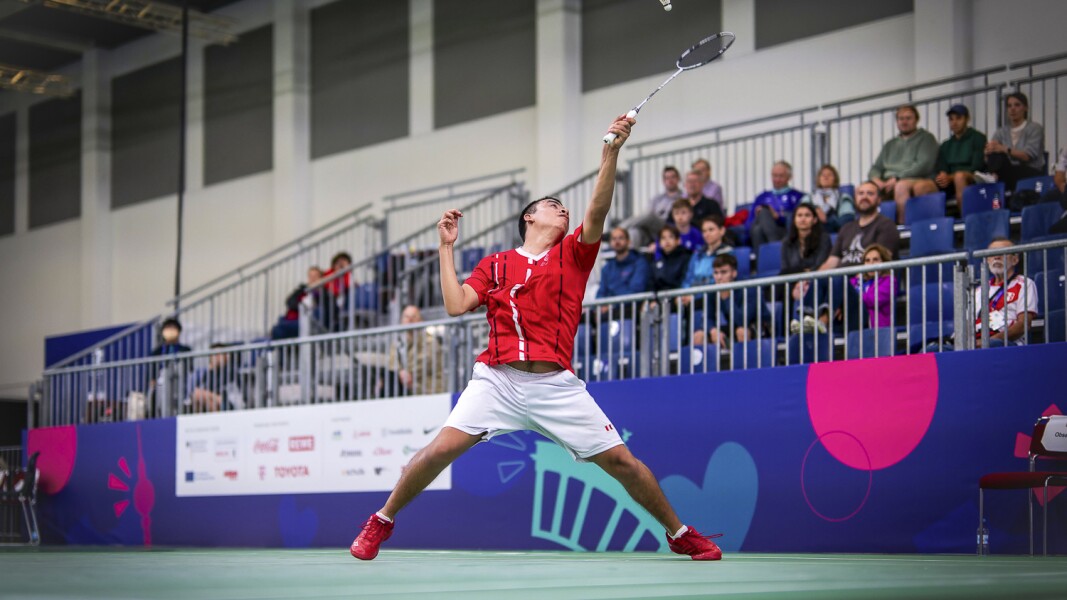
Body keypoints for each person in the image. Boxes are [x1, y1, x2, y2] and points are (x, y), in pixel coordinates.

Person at [349, 115, 723, 562]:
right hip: (498, 380)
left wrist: (610, 154)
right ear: (529, 216)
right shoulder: (495, 264)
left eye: (565, 208)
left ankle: (678, 532)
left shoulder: (574, 255)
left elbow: (598, 210)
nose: (563, 210)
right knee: (439, 449)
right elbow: (455, 304)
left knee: (622, 462)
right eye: (553, 205)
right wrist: (446, 248)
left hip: (555, 385)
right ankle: (382, 520)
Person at [868, 104, 939, 224]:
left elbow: (924, 165)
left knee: (901, 186)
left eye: (908, 118)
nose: (904, 122)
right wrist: (877, 180)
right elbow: (876, 167)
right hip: (888, 183)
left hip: (917, 179)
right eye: (901, 118)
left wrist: (897, 178)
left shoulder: (927, 138)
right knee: (864, 190)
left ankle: (903, 228)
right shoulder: (890, 144)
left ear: (916, 120)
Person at [913, 104, 987, 204]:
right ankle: (933, 214)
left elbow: (976, 166)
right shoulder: (945, 145)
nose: (954, 122)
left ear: (967, 119)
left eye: (958, 118)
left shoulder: (978, 138)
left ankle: (965, 214)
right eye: (951, 119)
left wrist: (951, 177)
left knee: (959, 177)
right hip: (949, 182)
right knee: (921, 186)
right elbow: (941, 168)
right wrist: (942, 176)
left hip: (972, 178)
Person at [976, 92, 1046, 192]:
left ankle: (993, 177)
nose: (1012, 109)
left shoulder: (1035, 128)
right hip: (1007, 171)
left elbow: (1027, 156)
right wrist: (987, 153)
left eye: (1017, 105)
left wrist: (1004, 149)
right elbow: (992, 157)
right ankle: (992, 176)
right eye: (1009, 106)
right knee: (994, 151)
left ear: (1026, 108)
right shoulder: (1001, 132)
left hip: (1031, 171)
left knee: (1003, 159)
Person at [690, 254, 759, 348]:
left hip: (758, 326)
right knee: (698, 336)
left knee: (741, 332)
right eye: (716, 273)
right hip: (734, 326)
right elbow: (707, 318)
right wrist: (713, 330)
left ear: (734, 273)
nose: (719, 277)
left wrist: (726, 298)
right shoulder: (713, 290)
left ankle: (746, 358)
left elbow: (743, 321)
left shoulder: (749, 288)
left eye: (723, 272)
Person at [385, 305, 448, 396]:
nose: (409, 320)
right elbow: (391, 365)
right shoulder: (397, 343)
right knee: (388, 378)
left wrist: (403, 372)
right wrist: (400, 372)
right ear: (401, 321)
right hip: (406, 390)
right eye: (406, 317)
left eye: (414, 317)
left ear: (421, 321)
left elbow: (423, 364)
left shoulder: (430, 342)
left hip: (428, 391)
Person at [746, 161, 806, 250]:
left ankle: (767, 254)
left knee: (758, 230)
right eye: (774, 176)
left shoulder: (798, 196)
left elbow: (798, 220)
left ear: (789, 177)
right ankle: (775, 248)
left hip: (784, 232)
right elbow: (749, 222)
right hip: (761, 231)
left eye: (781, 176)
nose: (777, 179)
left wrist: (778, 217)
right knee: (763, 214)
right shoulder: (761, 197)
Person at [619, 166, 683, 248]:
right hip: (651, 230)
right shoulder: (657, 199)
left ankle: (618, 230)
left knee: (650, 214)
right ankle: (631, 254)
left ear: (678, 178)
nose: (670, 180)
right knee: (634, 231)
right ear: (663, 181)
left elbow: (649, 215)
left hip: (667, 226)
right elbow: (646, 217)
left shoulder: (683, 197)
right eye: (667, 178)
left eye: (673, 177)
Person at [271, 267, 327, 340]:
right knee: (277, 329)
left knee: (278, 329)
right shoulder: (301, 290)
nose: (313, 279)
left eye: (315, 276)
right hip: (291, 319)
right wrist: (302, 306)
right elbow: (289, 302)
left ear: (321, 278)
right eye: (310, 276)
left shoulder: (324, 293)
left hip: (306, 321)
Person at [598, 227, 652, 302]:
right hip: (611, 306)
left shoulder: (640, 263)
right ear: (610, 243)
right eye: (614, 239)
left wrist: (611, 303)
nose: (617, 241)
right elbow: (601, 293)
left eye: (621, 238)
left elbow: (636, 290)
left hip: (631, 306)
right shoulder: (607, 268)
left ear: (628, 241)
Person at [682, 215, 734, 289]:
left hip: (713, 293)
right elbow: (688, 278)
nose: (707, 234)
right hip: (693, 293)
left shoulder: (728, 252)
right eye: (704, 231)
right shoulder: (697, 253)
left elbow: (719, 279)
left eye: (711, 230)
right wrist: (685, 292)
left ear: (722, 230)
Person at [850, 244, 895, 330]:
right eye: (867, 260)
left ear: (884, 262)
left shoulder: (889, 281)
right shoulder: (855, 281)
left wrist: (851, 298)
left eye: (875, 259)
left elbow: (872, 300)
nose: (871, 264)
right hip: (853, 321)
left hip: (873, 326)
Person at [188, 343, 242, 413]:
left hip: (230, 403)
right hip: (216, 402)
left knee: (198, 394)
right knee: (198, 397)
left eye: (219, 354)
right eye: (214, 354)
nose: (216, 357)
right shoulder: (208, 373)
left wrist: (217, 398)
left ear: (226, 356)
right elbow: (203, 390)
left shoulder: (231, 370)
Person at [780, 203, 831, 276]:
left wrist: (803, 274)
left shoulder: (823, 239)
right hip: (793, 280)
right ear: (794, 220)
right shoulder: (786, 242)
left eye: (807, 215)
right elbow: (785, 270)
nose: (803, 219)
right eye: (799, 215)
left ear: (815, 220)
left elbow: (820, 265)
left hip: (816, 278)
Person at [809, 165, 854, 232]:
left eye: (829, 175)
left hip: (835, 231)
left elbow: (846, 219)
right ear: (819, 179)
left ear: (835, 179)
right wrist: (815, 209)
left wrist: (826, 221)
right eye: (823, 175)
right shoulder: (810, 197)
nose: (826, 177)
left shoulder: (843, 197)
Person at [651, 225, 693, 292]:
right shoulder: (656, 263)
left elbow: (684, 280)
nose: (667, 241)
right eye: (663, 238)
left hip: (679, 296)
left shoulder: (686, 258)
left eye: (671, 237)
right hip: (662, 297)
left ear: (678, 240)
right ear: (659, 243)